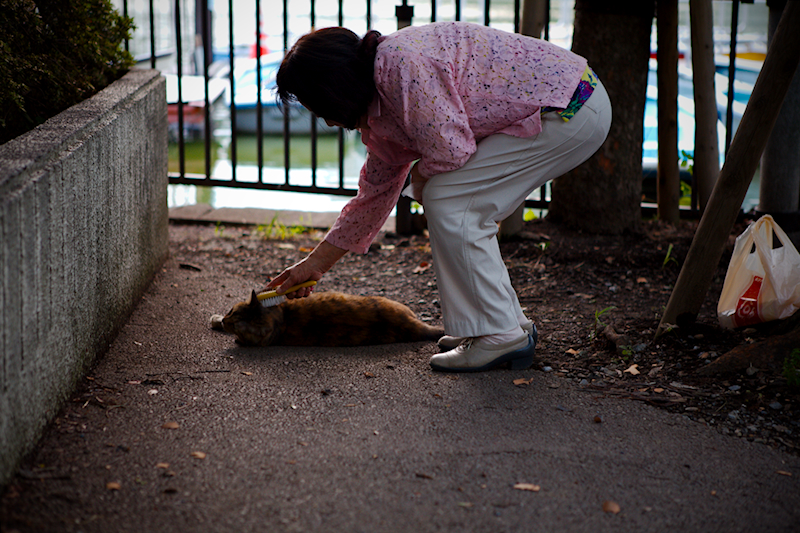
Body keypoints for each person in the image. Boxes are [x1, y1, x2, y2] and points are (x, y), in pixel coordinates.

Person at [269, 21, 612, 372]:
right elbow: (373, 196)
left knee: (449, 199)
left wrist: (419, 178)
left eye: (320, 107)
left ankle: (499, 333)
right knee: (453, 200)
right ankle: (503, 324)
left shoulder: (401, 67)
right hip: (568, 104)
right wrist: (313, 265)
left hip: (571, 107)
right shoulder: (382, 93)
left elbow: (450, 151)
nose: (329, 121)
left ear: (333, 88)